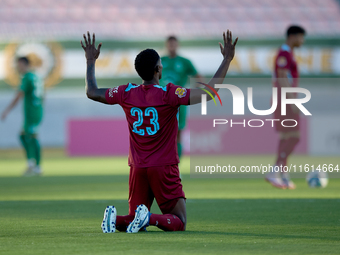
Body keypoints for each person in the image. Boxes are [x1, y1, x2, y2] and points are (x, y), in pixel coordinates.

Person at [80, 30, 237, 233]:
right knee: (179, 221)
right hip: (163, 167)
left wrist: (90, 61)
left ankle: (115, 220)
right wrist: (227, 59)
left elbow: (92, 91)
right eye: (160, 64)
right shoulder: (169, 94)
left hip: (137, 167)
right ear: (157, 70)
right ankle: (150, 218)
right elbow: (208, 92)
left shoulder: (126, 93)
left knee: (132, 218)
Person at [265, 25, 306, 189]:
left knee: (285, 137)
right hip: (284, 99)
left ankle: (283, 175)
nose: (302, 41)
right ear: (293, 36)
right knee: (295, 136)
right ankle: (274, 172)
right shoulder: (284, 53)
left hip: (282, 99)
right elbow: (282, 77)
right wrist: (292, 101)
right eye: (301, 37)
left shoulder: (288, 53)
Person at [160, 36, 203, 159]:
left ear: (177, 45)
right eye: (169, 44)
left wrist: (196, 92)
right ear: (166, 45)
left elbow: (198, 77)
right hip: (162, 100)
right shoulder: (160, 60)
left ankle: (175, 167)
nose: (171, 46)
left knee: (178, 133)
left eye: (173, 44)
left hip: (179, 102)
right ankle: (163, 164)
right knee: (161, 133)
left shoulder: (185, 62)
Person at [1, 57, 44, 176]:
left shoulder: (27, 77)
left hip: (31, 111)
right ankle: (32, 163)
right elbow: (43, 94)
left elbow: (19, 95)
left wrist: (7, 110)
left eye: (19, 65)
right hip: (36, 110)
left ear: (25, 64)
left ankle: (36, 166)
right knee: (23, 135)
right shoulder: (36, 76)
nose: (18, 68)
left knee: (32, 136)